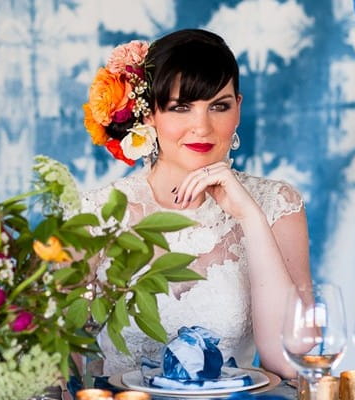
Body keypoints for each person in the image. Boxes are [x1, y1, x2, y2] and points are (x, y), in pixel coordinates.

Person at [81, 28, 311, 379]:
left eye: (219, 106)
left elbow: (288, 361)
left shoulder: (278, 205)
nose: (202, 127)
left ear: (238, 109)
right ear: (148, 115)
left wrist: (250, 217)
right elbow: (53, 351)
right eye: (181, 107)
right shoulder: (97, 214)